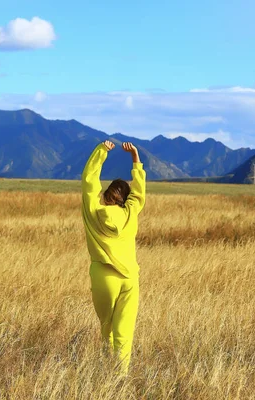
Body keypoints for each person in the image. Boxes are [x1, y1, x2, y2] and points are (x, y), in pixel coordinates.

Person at [81, 140, 146, 374]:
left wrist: (101, 152)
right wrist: (135, 158)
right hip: (130, 278)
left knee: (106, 327)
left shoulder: (94, 210)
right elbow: (139, 193)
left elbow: (89, 181)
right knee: (124, 330)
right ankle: (120, 376)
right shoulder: (131, 213)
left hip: (103, 276)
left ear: (106, 194)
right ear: (124, 199)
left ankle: (104, 367)